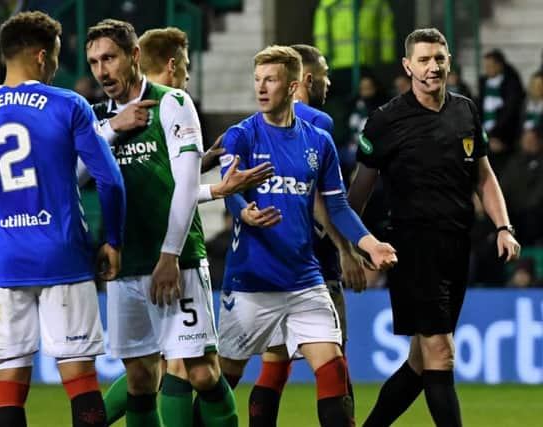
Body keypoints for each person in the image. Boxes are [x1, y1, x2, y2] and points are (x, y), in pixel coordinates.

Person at [0, 11, 126, 427]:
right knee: (80, 378)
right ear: (42, 56)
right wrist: (113, 240)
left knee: (9, 385)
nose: (56, 65)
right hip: (65, 257)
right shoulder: (69, 105)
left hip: (3, 263)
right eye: (55, 56)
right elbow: (109, 181)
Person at [94, 25, 270, 426]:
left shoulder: (173, 104)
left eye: (109, 58)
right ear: (174, 64)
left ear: (133, 56)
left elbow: (180, 183)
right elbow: (79, 172)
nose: (187, 74)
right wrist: (111, 129)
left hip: (177, 257)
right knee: (143, 374)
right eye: (95, 62)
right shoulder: (100, 115)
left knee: (197, 369)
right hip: (129, 261)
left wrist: (206, 189)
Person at [216, 45, 397, 427]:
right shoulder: (241, 136)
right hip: (252, 279)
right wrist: (243, 212)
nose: (262, 88)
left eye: (271, 80)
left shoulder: (318, 141)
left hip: (304, 279)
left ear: (294, 85)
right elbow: (230, 190)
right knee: (220, 381)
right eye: (258, 80)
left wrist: (368, 244)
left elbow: (337, 206)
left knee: (332, 367)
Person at [348, 28, 521, 427]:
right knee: (441, 352)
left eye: (439, 58)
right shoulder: (386, 120)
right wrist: (348, 246)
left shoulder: (465, 110)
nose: (433, 67)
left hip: (457, 245)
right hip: (412, 248)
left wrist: (503, 227)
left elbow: (484, 175)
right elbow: (358, 193)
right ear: (408, 66)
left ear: (449, 62)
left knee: (421, 361)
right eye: (424, 60)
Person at [242, 43, 368, 427]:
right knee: (333, 364)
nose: (329, 83)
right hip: (313, 265)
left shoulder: (255, 125)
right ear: (307, 80)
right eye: (325, 75)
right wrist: (347, 250)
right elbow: (321, 198)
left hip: (268, 263)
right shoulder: (318, 123)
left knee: (273, 364)